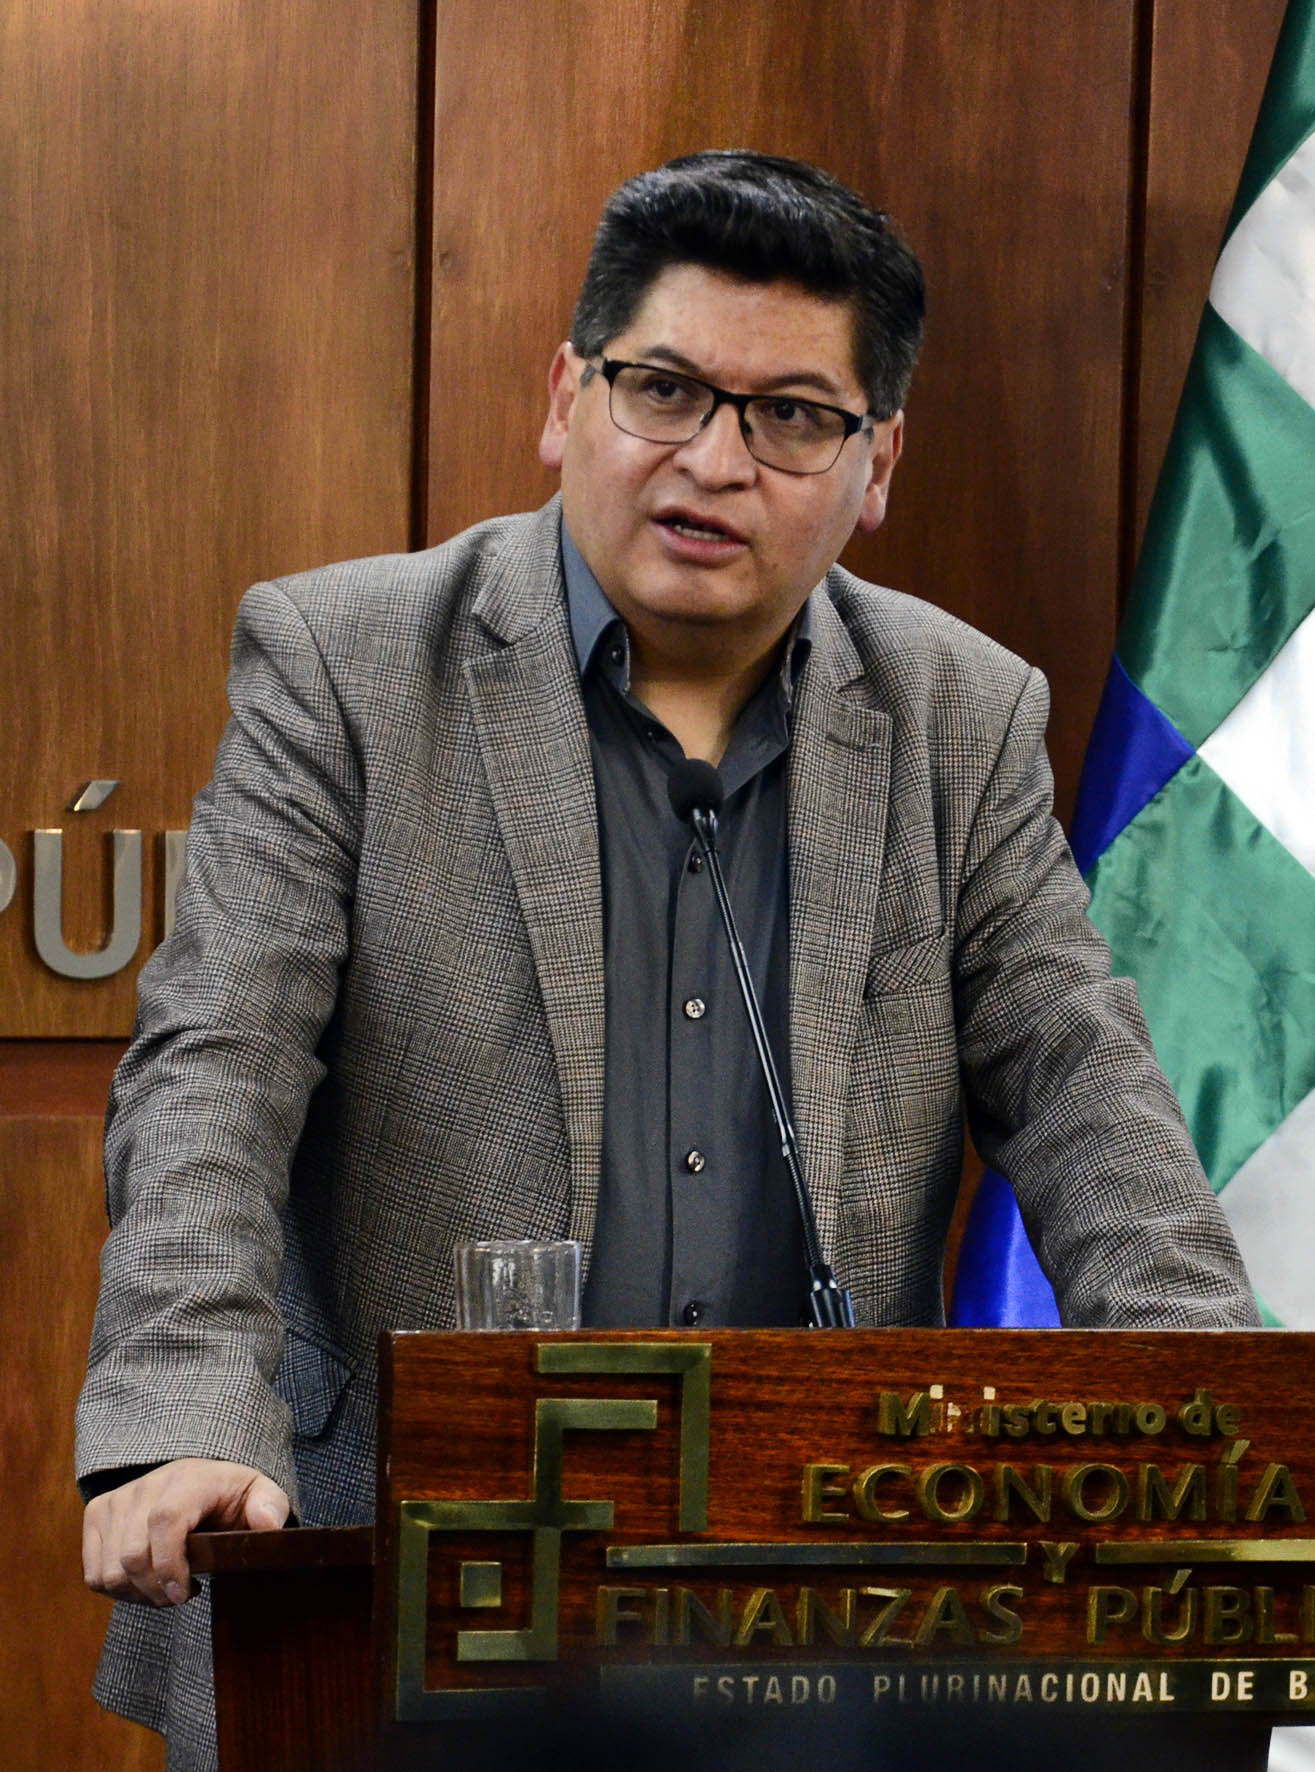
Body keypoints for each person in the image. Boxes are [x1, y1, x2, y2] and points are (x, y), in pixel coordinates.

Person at [76, 151, 1259, 1768]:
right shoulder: (345, 666)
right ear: (567, 396)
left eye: (792, 416)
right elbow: (214, 1071)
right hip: (389, 1584)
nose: (714, 460)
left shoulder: (959, 714)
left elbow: (1084, 1094)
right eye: (665, 390)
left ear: (877, 462)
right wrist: (183, 1415)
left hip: (817, 1632)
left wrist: (1232, 1442)